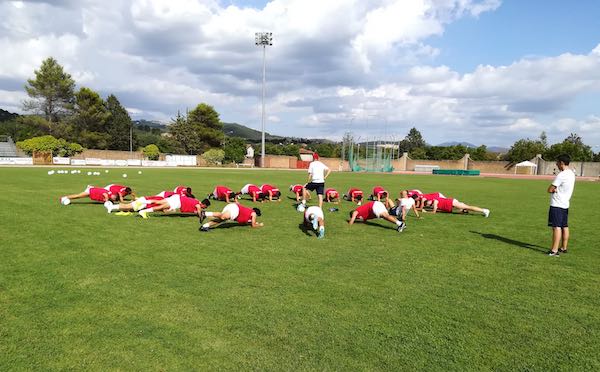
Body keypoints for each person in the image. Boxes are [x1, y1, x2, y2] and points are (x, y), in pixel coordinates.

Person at [547, 154, 576, 256]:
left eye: (557, 162)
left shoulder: (561, 175)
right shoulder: (571, 174)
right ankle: (563, 247)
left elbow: (550, 189)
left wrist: (554, 189)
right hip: (565, 203)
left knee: (556, 227)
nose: (556, 164)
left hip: (557, 204)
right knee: (564, 226)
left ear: (562, 163)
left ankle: (554, 251)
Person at [137, 194, 210, 219]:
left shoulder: (197, 201)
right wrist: (201, 216)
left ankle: (141, 202)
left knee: (158, 202)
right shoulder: (198, 205)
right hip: (177, 202)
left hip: (176, 198)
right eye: (205, 207)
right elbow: (199, 210)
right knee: (160, 207)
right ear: (204, 204)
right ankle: (143, 211)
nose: (204, 208)